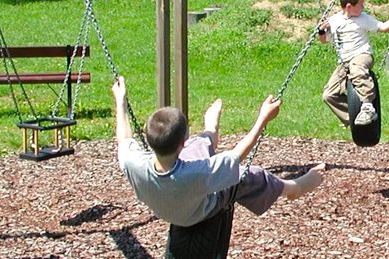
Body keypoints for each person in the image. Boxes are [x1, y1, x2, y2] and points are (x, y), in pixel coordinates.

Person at [113, 76, 325, 229]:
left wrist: (120, 101)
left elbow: (124, 138)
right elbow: (236, 156)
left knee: (199, 146)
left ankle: (210, 131)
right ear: (181, 143)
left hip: (166, 205)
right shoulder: (195, 175)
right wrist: (263, 119)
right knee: (248, 175)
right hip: (198, 212)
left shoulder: (135, 163)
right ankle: (292, 188)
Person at [318, 0, 389, 127]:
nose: (363, 7)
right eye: (361, 4)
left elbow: (383, 27)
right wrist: (321, 30)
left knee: (356, 68)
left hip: (362, 55)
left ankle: (367, 107)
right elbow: (324, 40)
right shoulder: (334, 21)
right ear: (349, 6)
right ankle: (352, 117)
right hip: (344, 62)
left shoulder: (363, 18)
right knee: (328, 95)